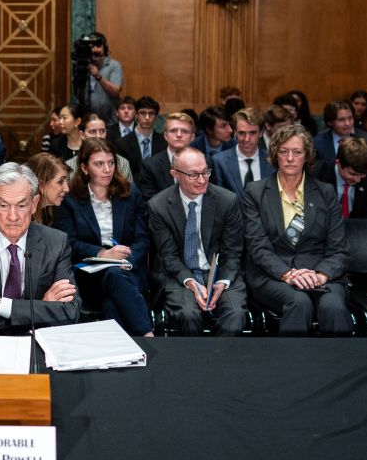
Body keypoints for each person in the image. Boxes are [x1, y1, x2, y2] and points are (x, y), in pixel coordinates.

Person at [241, 125, 352, 335]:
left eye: (297, 152)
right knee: (299, 302)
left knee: (333, 307)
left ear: (307, 156)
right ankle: (293, 365)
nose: (290, 158)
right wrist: (287, 274)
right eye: (283, 151)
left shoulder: (325, 192)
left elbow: (339, 249)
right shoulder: (255, 192)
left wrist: (320, 275)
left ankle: (340, 366)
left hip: (319, 273)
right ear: (275, 154)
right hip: (273, 275)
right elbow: (257, 246)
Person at [0, 163, 80, 334]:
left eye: (21, 205)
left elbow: (70, 312)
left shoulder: (56, 243)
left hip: (37, 342)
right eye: (3, 205)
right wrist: (40, 307)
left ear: (34, 204)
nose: (13, 216)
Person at [56, 138, 153, 337]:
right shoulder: (71, 199)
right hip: (89, 275)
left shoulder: (129, 192)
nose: (107, 169)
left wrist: (128, 261)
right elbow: (69, 243)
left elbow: (142, 238)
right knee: (113, 277)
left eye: (111, 162)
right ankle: (148, 335)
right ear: (84, 168)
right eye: (99, 164)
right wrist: (102, 253)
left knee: (113, 300)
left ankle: (119, 353)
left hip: (127, 269)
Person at [148, 147, 246, 335]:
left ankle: (223, 362)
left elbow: (233, 252)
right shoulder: (158, 206)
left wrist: (222, 282)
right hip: (179, 274)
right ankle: (195, 364)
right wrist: (191, 282)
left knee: (235, 315)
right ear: (175, 174)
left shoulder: (227, 201)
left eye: (205, 172)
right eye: (193, 175)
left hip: (219, 271)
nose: (202, 180)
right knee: (188, 315)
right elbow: (169, 256)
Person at [310, 137, 367, 219]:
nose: (357, 180)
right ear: (338, 163)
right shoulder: (316, 175)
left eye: (362, 175)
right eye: (352, 174)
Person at [212, 107, 272, 196]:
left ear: (261, 133)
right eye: (242, 133)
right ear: (235, 132)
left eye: (252, 133)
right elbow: (217, 198)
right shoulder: (219, 162)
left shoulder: (272, 160)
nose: (247, 139)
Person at [138, 112, 196, 202]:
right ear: (166, 136)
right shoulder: (150, 166)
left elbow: (209, 198)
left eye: (184, 131)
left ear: (192, 137)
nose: (179, 135)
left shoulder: (205, 163)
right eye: (173, 131)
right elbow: (150, 202)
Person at [66, 113, 134, 184]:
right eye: (92, 132)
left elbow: (128, 192)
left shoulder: (122, 163)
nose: (98, 136)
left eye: (102, 131)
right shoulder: (69, 166)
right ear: (82, 135)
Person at [114, 96, 165, 183]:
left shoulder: (164, 142)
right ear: (136, 115)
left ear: (156, 117)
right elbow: (122, 175)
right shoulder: (122, 143)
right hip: (133, 188)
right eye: (143, 113)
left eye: (151, 113)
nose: (147, 117)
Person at [81, 31, 123, 124]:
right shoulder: (84, 67)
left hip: (111, 123)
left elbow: (116, 92)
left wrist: (98, 76)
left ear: (105, 48)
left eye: (98, 46)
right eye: (92, 47)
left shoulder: (114, 65)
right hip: (90, 123)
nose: (95, 49)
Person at [24, 152, 70, 226]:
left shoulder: (55, 212)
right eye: (60, 182)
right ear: (42, 186)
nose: (67, 189)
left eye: (66, 181)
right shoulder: (21, 217)